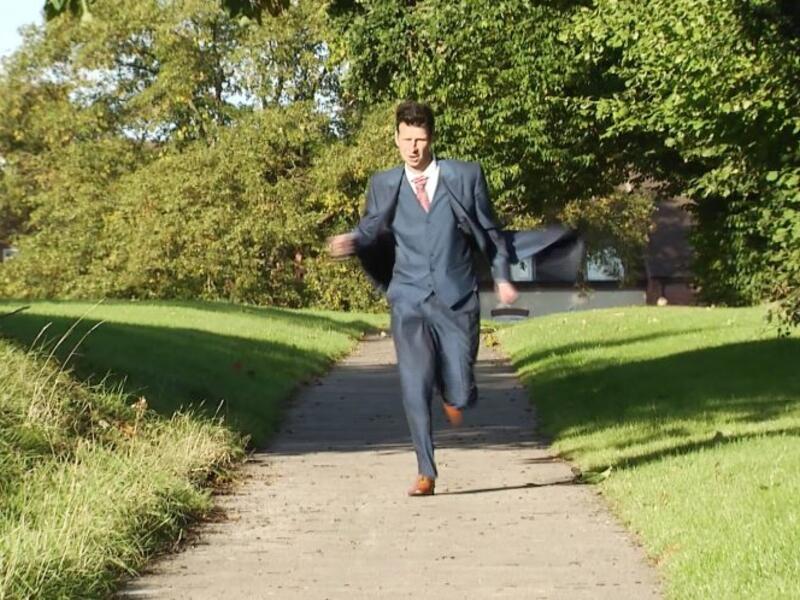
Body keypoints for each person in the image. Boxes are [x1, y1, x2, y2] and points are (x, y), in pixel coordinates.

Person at [328, 100, 518, 497]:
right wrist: (353, 240)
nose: (413, 148)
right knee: (414, 383)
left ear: (431, 138)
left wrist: (501, 279)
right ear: (396, 139)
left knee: (461, 391)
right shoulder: (383, 184)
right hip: (408, 297)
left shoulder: (464, 177)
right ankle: (425, 470)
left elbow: (492, 233)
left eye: (420, 139)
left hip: (455, 297)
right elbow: (371, 228)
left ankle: (456, 393)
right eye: (406, 140)